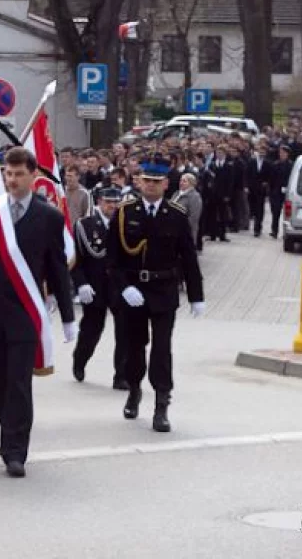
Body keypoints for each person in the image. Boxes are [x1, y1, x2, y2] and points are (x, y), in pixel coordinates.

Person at [0, 146, 77, 478]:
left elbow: (56, 270)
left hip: (25, 312)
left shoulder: (49, 216)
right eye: (8, 173)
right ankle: (8, 434)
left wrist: (67, 315)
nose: (12, 180)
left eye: (19, 173)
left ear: (33, 175)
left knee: (20, 383)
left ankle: (16, 449)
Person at [107, 162, 205, 433]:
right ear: (138, 183)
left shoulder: (176, 214)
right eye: (145, 180)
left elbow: (188, 256)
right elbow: (112, 259)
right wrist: (123, 287)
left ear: (165, 185)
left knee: (162, 349)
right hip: (133, 290)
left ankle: (162, 403)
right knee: (134, 346)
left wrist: (197, 295)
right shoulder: (125, 213)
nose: (150, 185)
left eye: (155, 181)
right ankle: (134, 389)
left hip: (163, 290)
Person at [71, 187, 129, 389]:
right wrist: (81, 284)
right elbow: (75, 260)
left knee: (125, 331)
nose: (112, 207)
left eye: (115, 202)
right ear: (98, 202)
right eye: (108, 202)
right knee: (92, 329)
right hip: (94, 287)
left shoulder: (125, 224)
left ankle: (121, 375)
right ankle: (80, 360)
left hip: (119, 288)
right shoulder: (83, 226)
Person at [268, 145, 294, 239]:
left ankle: (286, 231)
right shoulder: (275, 164)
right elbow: (271, 179)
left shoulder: (291, 165)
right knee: (275, 212)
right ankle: (274, 231)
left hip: (287, 191)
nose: (281, 154)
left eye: (283, 153)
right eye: (280, 153)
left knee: (287, 213)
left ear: (287, 154)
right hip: (277, 191)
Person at [245, 144, 271, 237]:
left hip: (261, 190)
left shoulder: (267, 163)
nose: (261, 153)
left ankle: (258, 228)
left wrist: (266, 183)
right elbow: (247, 174)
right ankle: (254, 221)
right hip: (252, 189)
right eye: (260, 151)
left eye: (263, 152)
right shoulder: (251, 161)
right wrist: (246, 186)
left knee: (260, 209)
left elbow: (270, 176)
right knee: (253, 208)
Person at [171, 173, 203, 245]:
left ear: (191, 183)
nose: (181, 183)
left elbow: (193, 217)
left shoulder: (195, 197)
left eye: (184, 181)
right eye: (180, 180)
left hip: (185, 232)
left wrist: (181, 227)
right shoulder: (176, 193)